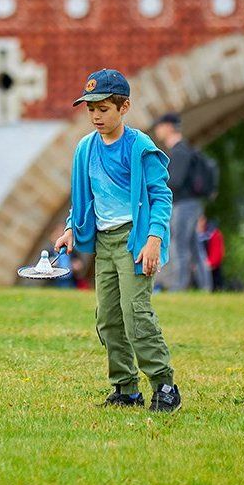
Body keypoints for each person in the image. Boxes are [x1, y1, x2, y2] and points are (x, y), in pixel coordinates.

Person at [54, 69, 181, 413]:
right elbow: (84, 200)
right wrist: (70, 229)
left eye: (104, 109)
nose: (96, 116)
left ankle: (164, 385)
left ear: (124, 107)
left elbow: (160, 196)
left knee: (135, 313)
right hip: (105, 243)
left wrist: (154, 239)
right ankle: (126, 389)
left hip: (135, 240)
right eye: (90, 109)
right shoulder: (85, 149)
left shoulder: (138, 146)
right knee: (108, 318)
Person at [151, 113, 212, 292]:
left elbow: (174, 181)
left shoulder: (179, 152)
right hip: (191, 205)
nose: (157, 130)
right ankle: (205, 286)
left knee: (179, 245)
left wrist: (156, 183)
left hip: (183, 205)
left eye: (159, 126)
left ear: (169, 127)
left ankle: (179, 286)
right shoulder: (184, 150)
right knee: (194, 246)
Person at [196, 215, 226, 292]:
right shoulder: (192, 235)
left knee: (215, 284)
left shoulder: (213, 233)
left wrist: (209, 263)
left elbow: (217, 251)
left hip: (211, 266)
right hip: (197, 266)